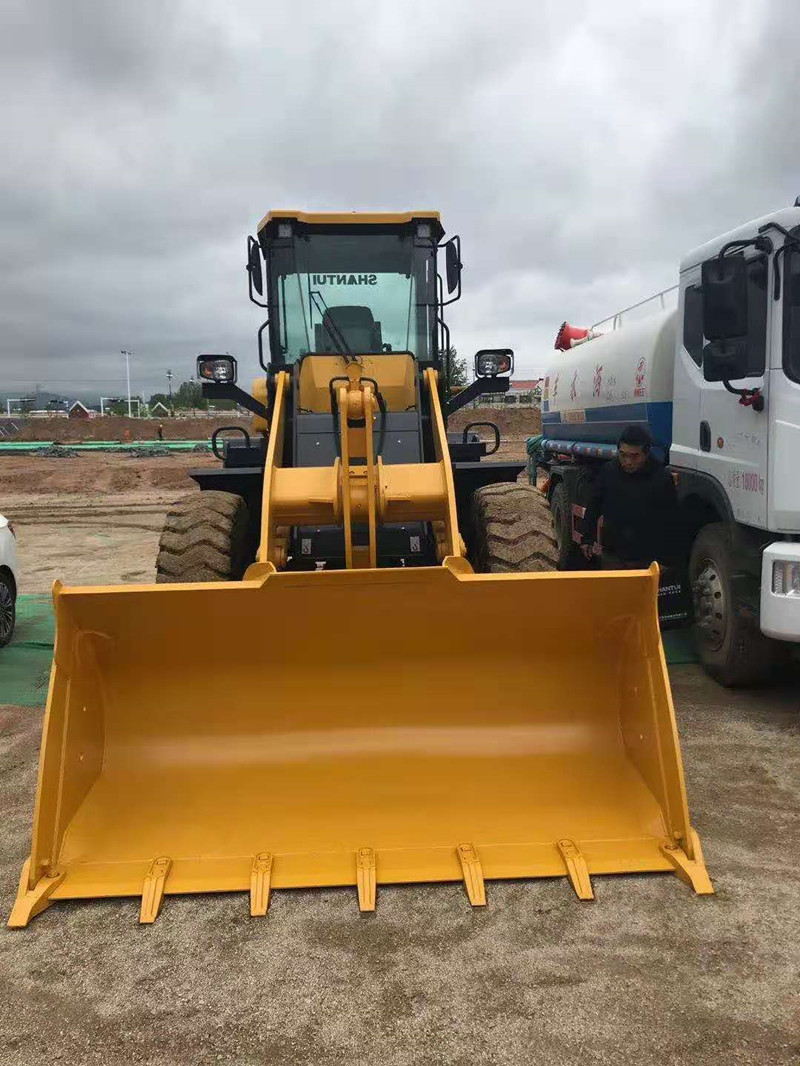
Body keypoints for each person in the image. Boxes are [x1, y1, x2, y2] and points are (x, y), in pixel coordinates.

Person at [580, 425, 679, 569]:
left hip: (646, 561)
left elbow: (671, 522)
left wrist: (666, 561)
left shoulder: (661, 479)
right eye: (623, 455)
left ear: (646, 453)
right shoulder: (608, 472)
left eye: (635, 456)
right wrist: (587, 538)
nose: (628, 461)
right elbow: (594, 505)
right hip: (613, 556)